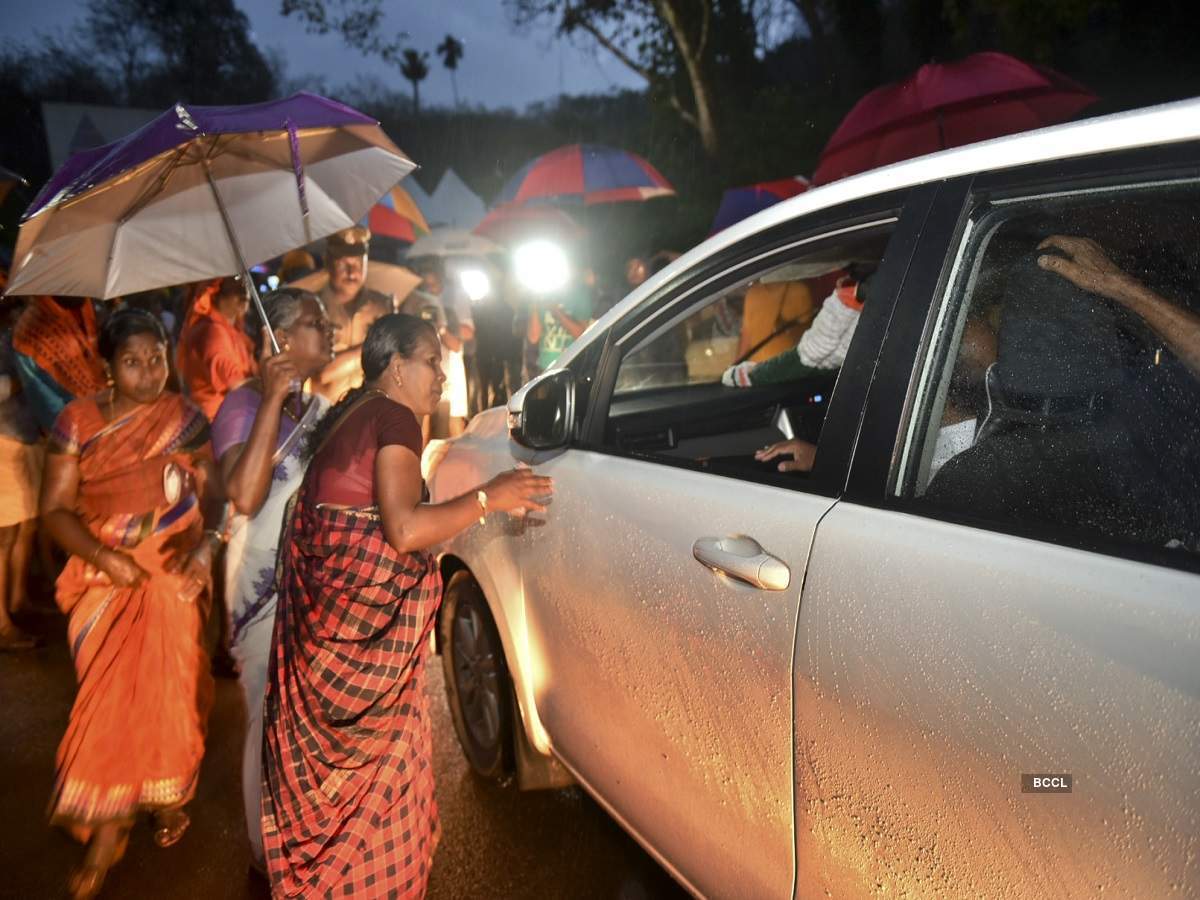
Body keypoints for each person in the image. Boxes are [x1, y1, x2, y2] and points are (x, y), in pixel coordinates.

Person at [260, 314, 552, 898]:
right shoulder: (393, 417)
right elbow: (402, 529)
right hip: (358, 662)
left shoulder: (355, 411)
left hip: (326, 644)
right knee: (380, 813)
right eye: (432, 363)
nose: (442, 377)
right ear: (396, 366)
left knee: (342, 809)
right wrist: (492, 496)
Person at [38, 309, 223, 899]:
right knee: (110, 700)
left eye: (157, 359)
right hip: (102, 577)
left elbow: (215, 496)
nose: (149, 373)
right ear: (107, 368)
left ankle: (164, 793)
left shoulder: (186, 420)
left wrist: (204, 536)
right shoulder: (78, 422)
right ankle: (108, 826)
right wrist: (106, 555)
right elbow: (55, 510)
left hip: (171, 571)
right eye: (133, 361)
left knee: (172, 690)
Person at [210, 288, 332, 872]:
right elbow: (245, 494)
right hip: (261, 587)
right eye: (315, 323)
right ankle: (267, 852)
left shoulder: (318, 407)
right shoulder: (241, 406)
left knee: (310, 709)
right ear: (279, 340)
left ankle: (308, 827)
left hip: (312, 582)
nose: (328, 330)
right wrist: (270, 399)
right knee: (267, 711)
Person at [0, 299, 44, 650]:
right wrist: (24, 377)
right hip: (4, 443)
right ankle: (2, 625)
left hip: (23, 439)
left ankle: (17, 600)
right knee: (4, 536)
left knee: (24, 528)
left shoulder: (13, 341)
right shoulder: (7, 344)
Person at [313, 226, 393, 402]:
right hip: (325, 410)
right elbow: (320, 373)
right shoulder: (312, 307)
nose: (351, 272)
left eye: (358, 264)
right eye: (343, 264)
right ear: (328, 263)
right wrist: (369, 347)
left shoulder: (383, 306)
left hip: (369, 408)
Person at [12, 295, 107, 434]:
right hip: (79, 433)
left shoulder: (89, 308)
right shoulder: (28, 335)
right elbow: (48, 407)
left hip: (111, 413)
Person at [176, 277, 258, 421]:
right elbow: (235, 383)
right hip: (217, 421)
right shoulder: (213, 331)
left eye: (245, 289)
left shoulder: (233, 329)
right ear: (217, 296)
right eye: (236, 290)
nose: (244, 296)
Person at [526, 271, 593, 378]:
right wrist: (534, 303)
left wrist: (556, 311)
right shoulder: (540, 297)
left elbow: (582, 334)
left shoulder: (579, 295)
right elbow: (534, 337)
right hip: (545, 369)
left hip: (572, 367)